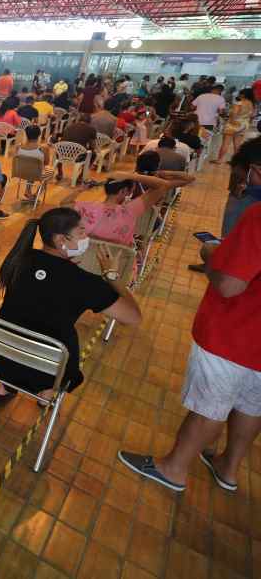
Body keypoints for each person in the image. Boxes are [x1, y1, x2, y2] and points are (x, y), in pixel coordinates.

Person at [119, 199, 261, 493]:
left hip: (235, 332)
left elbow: (229, 285)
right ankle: (228, 468)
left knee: (209, 407)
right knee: (251, 406)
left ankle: (173, 468)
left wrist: (212, 257)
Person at [0, 208, 142, 404]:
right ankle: (45, 394)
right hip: (46, 369)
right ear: (61, 239)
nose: (86, 238)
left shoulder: (19, 259)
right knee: (58, 343)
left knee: (23, 322)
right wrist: (112, 276)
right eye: (81, 233)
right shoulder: (85, 283)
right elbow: (134, 317)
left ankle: (6, 385)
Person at [74, 172, 190, 246]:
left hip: (85, 264)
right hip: (118, 268)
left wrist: (80, 189)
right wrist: (131, 176)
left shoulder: (85, 208)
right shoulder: (129, 211)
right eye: (130, 192)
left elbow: (65, 202)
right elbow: (164, 185)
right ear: (123, 191)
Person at [217, 89, 256, 163]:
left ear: (243, 95)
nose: (239, 95)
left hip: (234, 124)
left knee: (226, 143)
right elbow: (252, 116)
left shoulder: (239, 103)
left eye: (240, 93)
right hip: (244, 125)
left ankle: (219, 160)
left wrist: (231, 120)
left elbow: (234, 113)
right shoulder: (252, 104)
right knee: (237, 144)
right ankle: (235, 161)